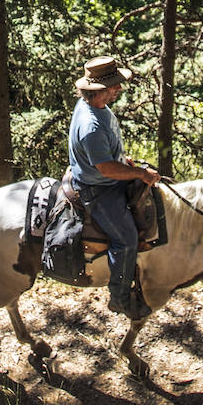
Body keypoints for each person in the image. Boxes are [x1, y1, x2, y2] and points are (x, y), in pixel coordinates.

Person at [68, 56, 159, 319]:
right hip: (99, 189)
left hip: (106, 176)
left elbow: (108, 156)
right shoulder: (91, 126)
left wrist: (123, 161)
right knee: (126, 239)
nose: (119, 88)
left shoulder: (96, 108)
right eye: (115, 85)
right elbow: (106, 169)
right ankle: (119, 297)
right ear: (99, 90)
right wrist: (140, 173)